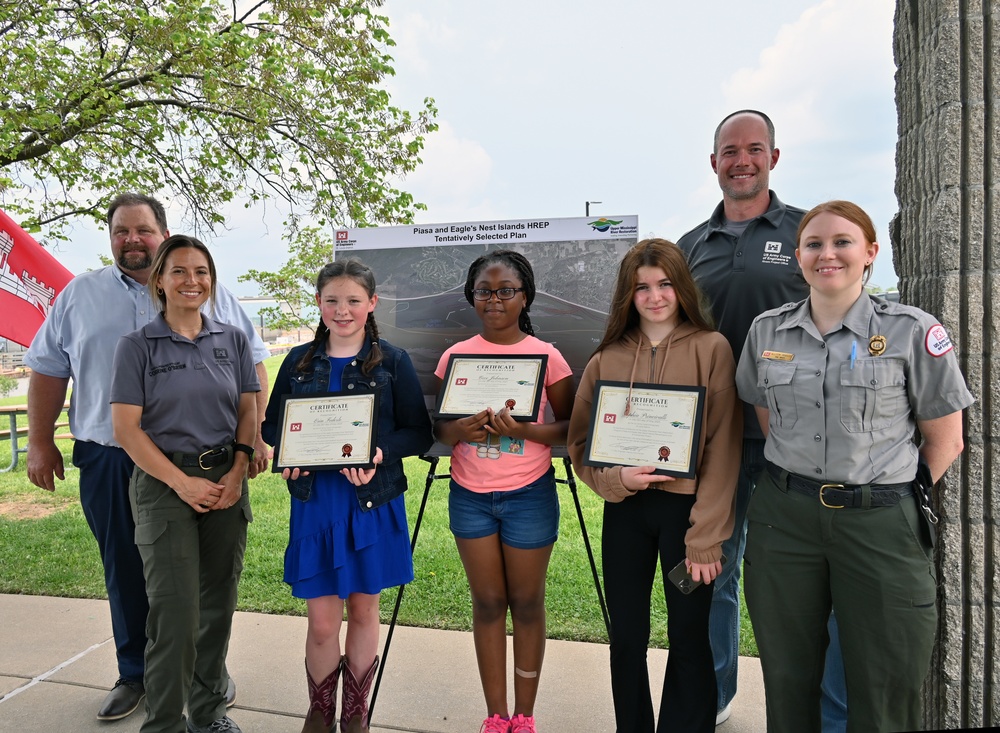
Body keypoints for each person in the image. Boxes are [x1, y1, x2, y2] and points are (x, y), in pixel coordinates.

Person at [24, 193, 268, 720]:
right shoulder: (78, 295)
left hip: (208, 460)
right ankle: (136, 674)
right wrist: (40, 441)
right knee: (128, 570)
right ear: (111, 238)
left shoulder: (210, 293)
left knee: (203, 580)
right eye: (120, 231)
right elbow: (47, 368)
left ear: (162, 235)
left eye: (143, 230)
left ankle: (205, 679)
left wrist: (253, 446)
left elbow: (252, 371)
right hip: (113, 456)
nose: (132, 240)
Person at [735, 200, 973, 733]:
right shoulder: (767, 332)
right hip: (785, 519)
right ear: (797, 257)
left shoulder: (913, 330)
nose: (828, 254)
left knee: (886, 680)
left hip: (880, 523)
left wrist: (880, 495)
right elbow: (767, 415)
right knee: (788, 674)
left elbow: (946, 439)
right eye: (814, 244)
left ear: (869, 253)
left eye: (842, 242)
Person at [676, 109, 850, 727]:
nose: (741, 160)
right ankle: (717, 694)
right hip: (712, 441)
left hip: (794, 440)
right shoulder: (689, 247)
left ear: (774, 157)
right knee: (712, 570)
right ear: (713, 161)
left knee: (807, 580)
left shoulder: (809, 233)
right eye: (729, 150)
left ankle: (821, 711)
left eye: (754, 149)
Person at [567, 239, 742, 733]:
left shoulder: (712, 349)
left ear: (681, 286)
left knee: (689, 636)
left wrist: (706, 534)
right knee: (626, 636)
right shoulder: (607, 358)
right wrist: (613, 480)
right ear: (628, 294)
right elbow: (579, 444)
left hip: (687, 517)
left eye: (665, 283)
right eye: (642, 287)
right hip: (626, 511)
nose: (655, 296)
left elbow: (724, 447)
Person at [262, 260, 432, 733]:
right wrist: (286, 453)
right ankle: (320, 711)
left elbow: (417, 432)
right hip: (318, 504)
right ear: (318, 303)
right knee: (320, 621)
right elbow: (273, 424)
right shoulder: (298, 362)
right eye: (332, 300)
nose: (342, 310)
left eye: (353, 300)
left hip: (370, 502)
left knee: (363, 608)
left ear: (371, 304)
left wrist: (378, 453)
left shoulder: (392, 362)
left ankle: (355, 715)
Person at [110, 235, 259, 733]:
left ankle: (209, 714)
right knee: (174, 612)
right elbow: (126, 429)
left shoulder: (232, 339)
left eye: (201, 271)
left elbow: (247, 411)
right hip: (163, 483)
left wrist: (237, 473)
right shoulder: (136, 346)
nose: (191, 281)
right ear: (159, 280)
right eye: (179, 271)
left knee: (217, 606)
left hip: (225, 481)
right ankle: (165, 723)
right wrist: (182, 483)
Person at [432, 250, 574, 733]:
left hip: (529, 494)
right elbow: (440, 428)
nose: (494, 299)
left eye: (506, 290)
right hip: (470, 494)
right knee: (489, 602)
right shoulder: (455, 356)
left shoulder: (547, 356)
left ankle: (525, 716)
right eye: (484, 291)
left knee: (528, 603)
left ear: (524, 296)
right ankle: (496, 716)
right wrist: (460, 431)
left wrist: (525, 431)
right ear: (472, 299)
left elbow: (572, 429)